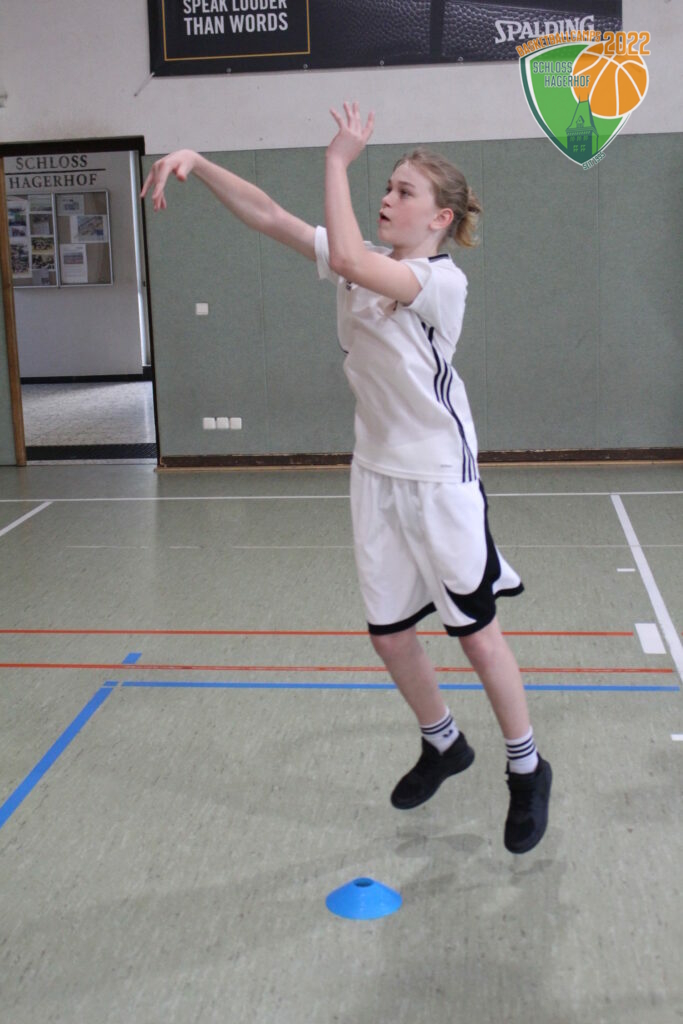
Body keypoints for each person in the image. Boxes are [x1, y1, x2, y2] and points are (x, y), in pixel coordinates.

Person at [141, 101, 552, 854]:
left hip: (439, 478)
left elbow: (350, 263)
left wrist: (335, 161)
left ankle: (526, 769)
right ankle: (443, 742)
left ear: (439, 217)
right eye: (385, 186)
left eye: (402, 190)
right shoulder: (363, 260)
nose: (386, 198)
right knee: (390, 638)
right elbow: (270, 215)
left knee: (476, 636)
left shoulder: (439, 281)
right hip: (376, 474)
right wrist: (197, 161)